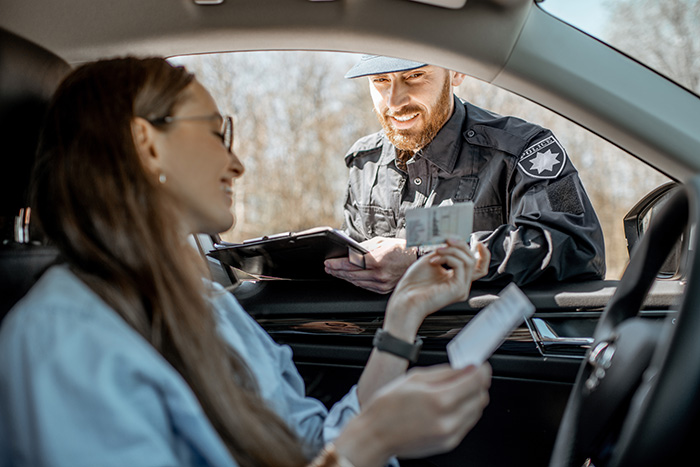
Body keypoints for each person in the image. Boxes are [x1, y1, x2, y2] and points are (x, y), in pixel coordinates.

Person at [0, 57, 492, 467]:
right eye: (217, 134)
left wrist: (404, 312)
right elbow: (336, 452)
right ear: (147, 144)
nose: (236, 163)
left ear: (457, 75)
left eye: (414, 78)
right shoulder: (62, 336)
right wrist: (368, 446)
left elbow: (311, 444)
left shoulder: (210, 305)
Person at [324, 55, 606, 294]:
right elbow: (354, 255)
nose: (395, 101)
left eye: (415, 75)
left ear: (456, 71)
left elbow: (577, 248)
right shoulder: (365, 161)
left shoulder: (527, 150)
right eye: (380, 81)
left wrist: (425, 259)